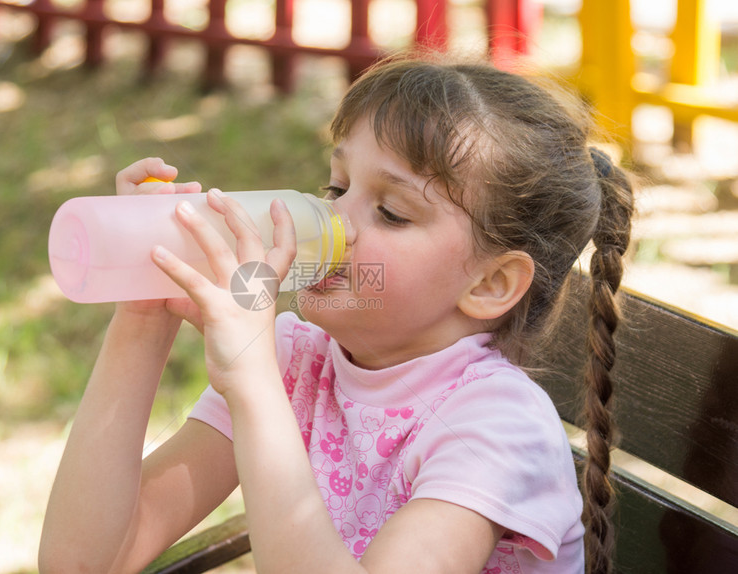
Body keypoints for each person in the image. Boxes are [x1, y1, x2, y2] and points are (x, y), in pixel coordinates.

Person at [38, 53, 634, 574]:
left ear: (490, 283)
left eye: (392, 212)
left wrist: (252, 385)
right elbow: (85, 560)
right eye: (336, 187)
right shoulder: (298, 361)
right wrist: (142, 320)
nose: (337, 225)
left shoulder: (496, 428)